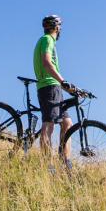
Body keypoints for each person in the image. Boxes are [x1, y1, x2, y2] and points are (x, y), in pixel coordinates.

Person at [33, 14, 76, 159]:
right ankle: (47, 166)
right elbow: (46, 63)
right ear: (56, 28)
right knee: (49, 125)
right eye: (60, 27)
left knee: (67, 123)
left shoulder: (45, 40)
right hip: (49, 87)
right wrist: (63, 82)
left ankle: (65, 161)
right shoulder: (47, 40)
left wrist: (68, 87)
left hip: (54, 87)